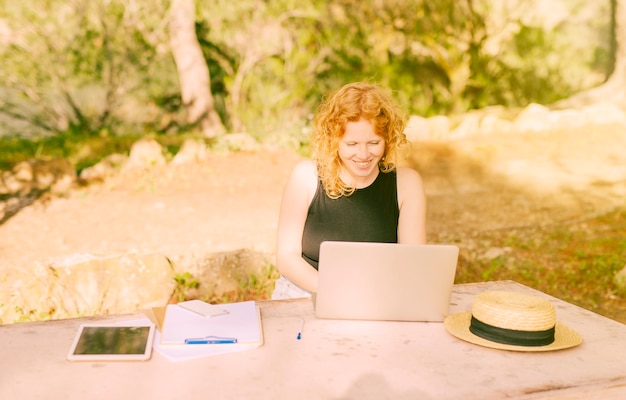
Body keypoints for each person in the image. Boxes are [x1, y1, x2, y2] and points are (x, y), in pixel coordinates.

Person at [272, 82, 427, 299]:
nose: (363, 154)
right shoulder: (305, 177)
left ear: (388, 139)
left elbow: (413, 262)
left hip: (377, 296)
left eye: (373, 142)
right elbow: (287, 257)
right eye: (352, 144)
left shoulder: (407, 183)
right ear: (334, 141)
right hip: (305, 293)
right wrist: (339, 292)